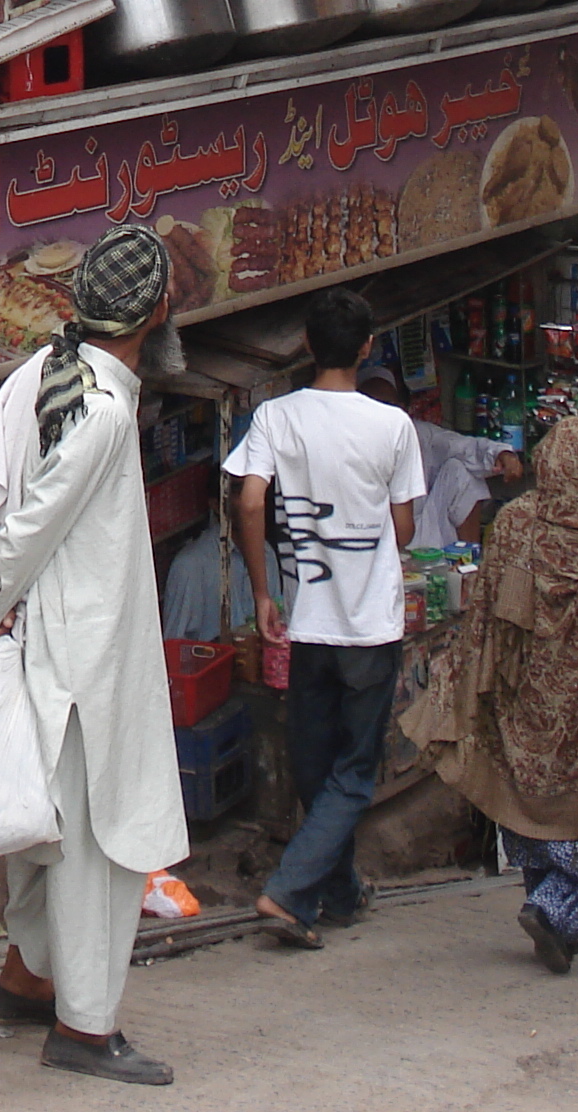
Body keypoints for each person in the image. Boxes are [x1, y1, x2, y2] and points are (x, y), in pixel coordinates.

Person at [0, 226, 188, 1086]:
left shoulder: (41, 377)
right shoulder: (102, 408)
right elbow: (29, 527)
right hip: (79, 656)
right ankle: (85, 1028)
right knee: (93, 843)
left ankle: (26, 982)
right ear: (158, 312)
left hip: (47, 645)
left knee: (44, 829)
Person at [410, 421, 578, 974]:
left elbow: (486, 604)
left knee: (523, 805)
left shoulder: (517, 522)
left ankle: (555, 922)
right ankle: (553, 905)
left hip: (524, 698)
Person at [226, 287, 426, 949]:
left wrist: (262, 591)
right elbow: (403, 529)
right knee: (353, 768)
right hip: (369, 625)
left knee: (315, 762)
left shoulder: (277, 418)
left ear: (307, 345)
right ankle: (289, 892)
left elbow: (250, 504)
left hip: (306, 621)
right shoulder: (392, 426)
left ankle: (337, 891)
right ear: (367, 347)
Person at [363, 365, 520, 549]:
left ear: (402, 410)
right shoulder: (349, 444)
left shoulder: (418, 433)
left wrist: (502, 453)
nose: (382, 415)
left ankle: (470, 567)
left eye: (388, 407)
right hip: (368, 545)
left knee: (462, 473)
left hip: (419, 536)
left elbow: (464, 447)